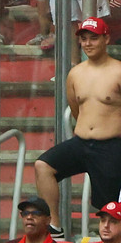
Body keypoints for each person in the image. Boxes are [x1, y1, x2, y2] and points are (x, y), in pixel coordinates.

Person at [37, 18, 121, 223]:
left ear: (106, 39)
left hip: (111, 145)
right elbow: (76, 109)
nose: (88, 44)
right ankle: (54, 226)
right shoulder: (75, 74)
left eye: (94, 38)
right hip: (81, 142)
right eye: (84, 39)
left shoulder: (118, 71)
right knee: (43, 166)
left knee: (107, 207)